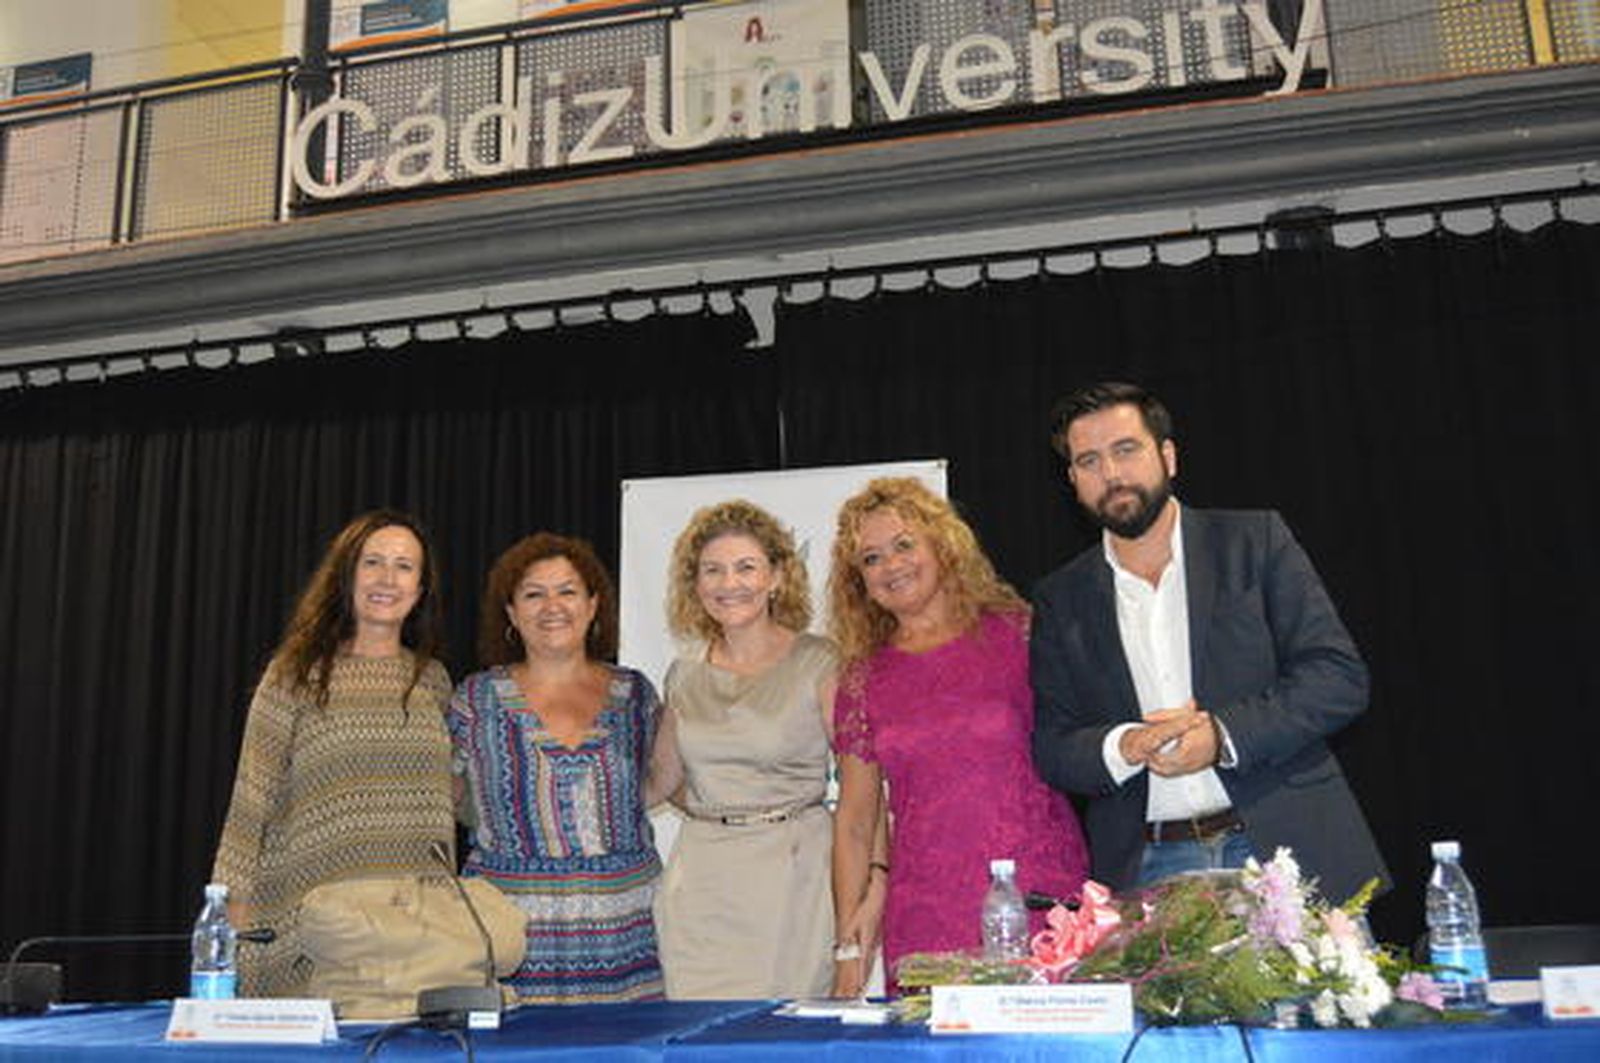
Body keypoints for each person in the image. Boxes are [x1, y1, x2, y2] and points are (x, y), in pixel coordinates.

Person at [1030, 381, 1389, 902]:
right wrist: (1124, 745)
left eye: (1126, 450)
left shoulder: (1255, 542)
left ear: (1168, 456)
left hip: (1284, 850)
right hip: (1150, 870)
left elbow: (1338, 677)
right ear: (1072, 480)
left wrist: (1220, 736)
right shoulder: (1059, 597)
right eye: (1089, 461)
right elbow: (1054, 745)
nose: (1111, 473)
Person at [829, 478, 1089, 996]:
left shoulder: (1022, 634)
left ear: (943, 545)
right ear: (860, 582)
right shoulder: (862, 678)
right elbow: (855, 821)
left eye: (904, 545)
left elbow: (1082, 746)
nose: (891, 565)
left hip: (1038, 893)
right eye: (871, 559)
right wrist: (848, 945)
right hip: (926, 910)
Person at [211, 508, 455, 997]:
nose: (388, 578)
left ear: (421, 589)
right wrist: (227, 921)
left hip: (412, 936)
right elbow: (250, 800)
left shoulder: (433, 680)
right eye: (373, 562)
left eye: (405, 566)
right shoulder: (295, 674)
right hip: (311, 933)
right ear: (347, 575)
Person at [448, 533, 663, 1004]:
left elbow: (661, 786)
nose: (552, 606)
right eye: (533, 593)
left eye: (567, 591)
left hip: (626, 936)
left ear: (592, 605)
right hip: (509, 940)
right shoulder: (474, 700)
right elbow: (451, 798)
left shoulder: (637, 697)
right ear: (510, 613)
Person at [648, 500, 838, 999]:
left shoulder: (819, 661)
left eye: (745, 567)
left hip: (794, 880)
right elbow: (663, 783)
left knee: (782, 1042)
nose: (729, 583)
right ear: (696, 584)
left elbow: (865, 784)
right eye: (713, 570)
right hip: (702, 887)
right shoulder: (683, 674)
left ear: (777, 576)